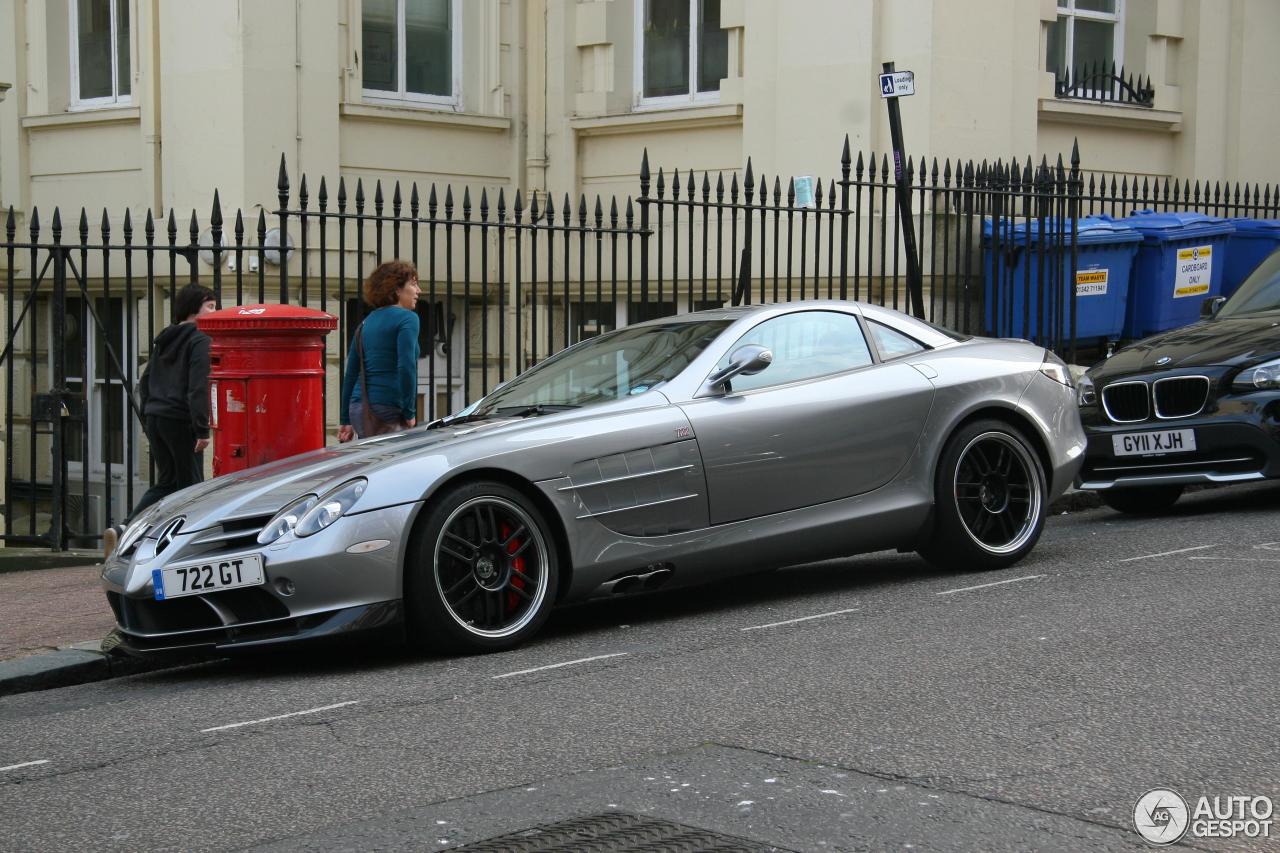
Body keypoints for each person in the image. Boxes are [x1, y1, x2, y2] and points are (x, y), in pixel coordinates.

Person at [103, 283, 218, 556]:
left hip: (157, 418)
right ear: (194, 310)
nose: (216, 312)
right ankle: (186, 547)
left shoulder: (165, 338)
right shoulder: (200, 339)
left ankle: (124, 531)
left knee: (167, 482)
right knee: (192, 486)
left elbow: (144, 381)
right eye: (210, 307)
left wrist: (149, 412)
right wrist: (202, 428)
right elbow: (198, 386)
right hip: (181, 420)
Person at [338, 260, 421, 442]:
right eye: (413, 284)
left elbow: (351, 373)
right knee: (394, 466)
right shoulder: (408, 319)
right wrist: (409, 411)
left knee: (372, 464)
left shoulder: (366, 323)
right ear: (397, 289)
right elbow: (406, 366)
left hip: (359, 408)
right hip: (387, 408)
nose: (418, 291)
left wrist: (345, 419)